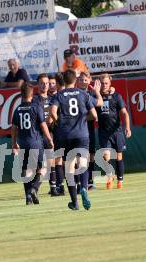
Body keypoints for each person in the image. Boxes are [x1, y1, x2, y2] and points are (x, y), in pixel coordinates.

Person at [48, 69, 102, 211]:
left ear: (64, 81)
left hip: (65, 134)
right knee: (83, 162)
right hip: (82, 134)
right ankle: (84, 188)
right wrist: (83, 119)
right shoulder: (83, 94)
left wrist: (59, 122)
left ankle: (74, 202)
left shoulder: (59, 95)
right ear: (75, 80)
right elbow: (95, 115)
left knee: (69, 168)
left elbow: (52, 112)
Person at [12, 82, 53, 205]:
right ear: (32, 94)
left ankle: (28, 198)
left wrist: (14, 143)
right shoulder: (36, 107)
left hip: (22, 142)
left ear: (21, 94)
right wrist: (49, 139)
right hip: (35, 142)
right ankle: (34, 189)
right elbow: (43, 125)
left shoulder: (17, 109)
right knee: (43, 168)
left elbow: (13, 128)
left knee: (27, 170)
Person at [97, 73, 131, 189]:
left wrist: (127, 127)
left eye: (106, 83)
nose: (104, 85)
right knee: (106, 157)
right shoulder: (96, 96)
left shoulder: (117, 96)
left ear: (110, 83)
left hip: (116, 131)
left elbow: (124, 113)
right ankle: (110, 175)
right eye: (102, 83)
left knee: (118, 156)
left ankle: (120, 179)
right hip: (103, 132)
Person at [33, 73, 58, 197]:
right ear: (37, 84)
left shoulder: (52, 99)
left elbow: (55, 113)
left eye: (47, 83)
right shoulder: (35, 100)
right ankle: (34, 188)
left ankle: (53, 188)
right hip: (38, 134)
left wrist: (53, 120)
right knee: (40, 165)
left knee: (51, 160)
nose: (45, 85)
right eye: (42, 83)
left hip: (50, 132)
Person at [77, 71, 98, 190]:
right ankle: (79, 182)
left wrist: (98, 93)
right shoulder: (74, 94)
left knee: (91, 156)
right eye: (80, 79)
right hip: (77, 131)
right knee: (78, 157)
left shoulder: (91, 94)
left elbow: (97, 109)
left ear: (89, 80)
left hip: (88, 129)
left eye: (85, 80)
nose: (83, 82)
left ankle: (90, 181)